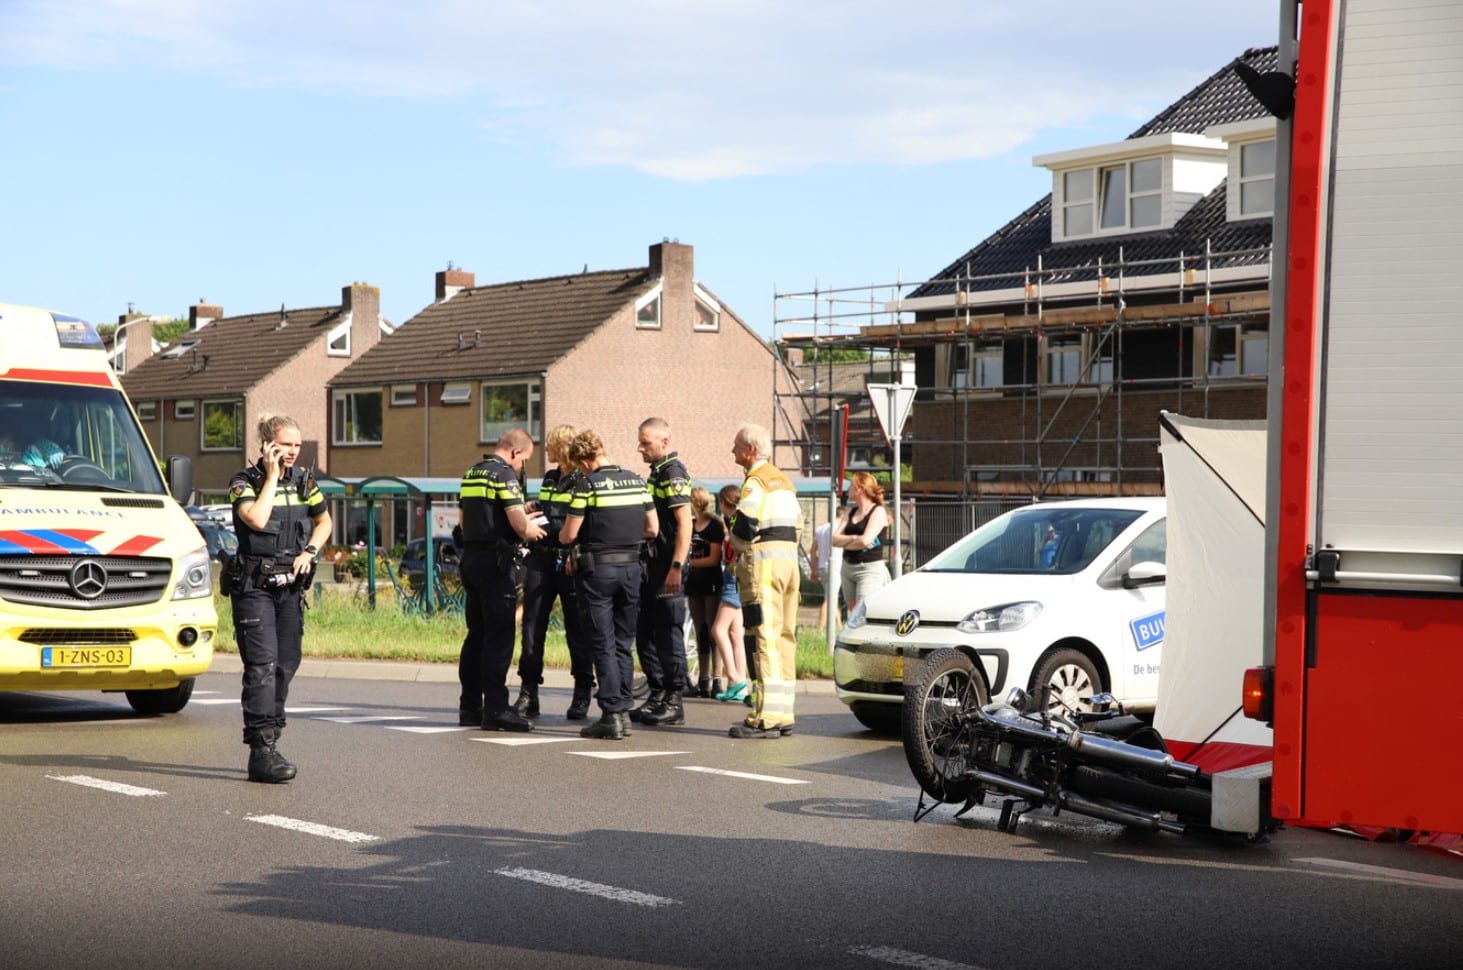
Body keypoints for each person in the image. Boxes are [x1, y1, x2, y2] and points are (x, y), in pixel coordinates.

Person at [227, 413, 331, 783]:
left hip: (290, 586)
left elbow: (324, 522)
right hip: (254, 587)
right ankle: (261, 749)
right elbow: (256, 520)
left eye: (297, 445)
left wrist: (310, 552)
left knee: (286, 663)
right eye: (286, 444)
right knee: (262, 666)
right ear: (268, 444)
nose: (293, 451)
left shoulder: (305, 481)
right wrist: (271, 476)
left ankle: (273, 735)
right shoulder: (244, 481)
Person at [559, 429, 658, 741]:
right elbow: (653, 529)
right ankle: (624, 712)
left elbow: (569, 534)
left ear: (584, 460)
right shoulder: (637, 481)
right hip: (632, 570)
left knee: (602, 643)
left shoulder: (587, 485)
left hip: (598, 571)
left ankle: (611, 715)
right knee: (622, 643)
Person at [458, 428, 545, 732]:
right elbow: (519, 526)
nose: (522, 466)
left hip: (471, 560)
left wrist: (518, 518)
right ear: (515, 452)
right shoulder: (504, 475)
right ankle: (496, 709)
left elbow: (465, 522)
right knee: (499, 637)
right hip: (497, 565)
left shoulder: (472, 473)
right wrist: (537, 531)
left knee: (476, 636)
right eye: (524, 460)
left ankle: (470, 707)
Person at [513, 424, 595, 720]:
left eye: (549, 444)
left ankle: (583, 690)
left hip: (569, 560)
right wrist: (531, 509)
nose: (545, 449)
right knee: (532, 625)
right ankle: (528, 692)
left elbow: (581, 522)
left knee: (577, 629)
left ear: (562, 447)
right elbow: (549, 510)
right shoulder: (550, 477)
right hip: (541, 558)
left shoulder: (582, 480)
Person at [727, 422, 803, 739]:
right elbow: (798, 526)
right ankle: (783, 713)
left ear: (750, 450)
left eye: (736, 446)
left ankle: (765, 717)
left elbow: (745, 525)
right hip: (789, 563)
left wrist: (735, 548)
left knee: (763, 636)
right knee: (785, 636)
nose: (732, 451)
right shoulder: (784, 481)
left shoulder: (755, 481)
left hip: (764, 565)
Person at [631, 416, 694, 728]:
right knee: (645, 633)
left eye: (646, 442)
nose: (640, 448)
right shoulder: (657, 472)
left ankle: (674, 700)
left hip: (668, 567)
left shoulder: (673, 472)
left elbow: (685, 524)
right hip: (652, 566)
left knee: (668, 633)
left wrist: (676, 567)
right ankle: (657, 693)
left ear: (664, 442)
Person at [831, 471, 892, 615]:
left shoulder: (878, 511)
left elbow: (865, 540)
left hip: (869, 569)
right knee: (853, 612)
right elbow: (834, 539)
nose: (848, 489)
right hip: (848, 567)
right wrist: (854, 538)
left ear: (861, 489)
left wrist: (846, 541)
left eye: (852, 486)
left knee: (861, 612)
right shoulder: (850, 511)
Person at [684, 486, 724, 698]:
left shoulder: (714, 526)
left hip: (711, 582)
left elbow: (714, 559)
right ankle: (703, 679)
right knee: (700, 630)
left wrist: (688, 563)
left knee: (712, 630)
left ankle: (717, 678)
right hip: (693, 584)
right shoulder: (689, 525)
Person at [711, 484, 749, 703]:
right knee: (735, 633)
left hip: (733, 577)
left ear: (725, 502)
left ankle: (734, 677)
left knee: (718, 629)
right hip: (735, 576)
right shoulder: (733, 520)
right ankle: (740, 684)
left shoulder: (737, 521)